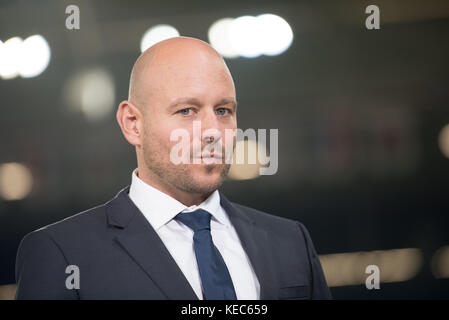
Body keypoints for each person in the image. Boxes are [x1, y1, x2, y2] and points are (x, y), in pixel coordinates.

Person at [15, 37, 331, 300]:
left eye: (223, 110)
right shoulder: (62, 254)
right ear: (133, 124)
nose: (212, 130)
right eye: (186, 110)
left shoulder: (290, 242)